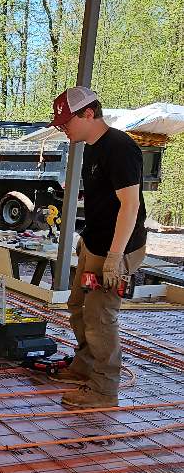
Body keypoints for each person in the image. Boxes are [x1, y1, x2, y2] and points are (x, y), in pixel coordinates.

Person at [50, 86, 147, 409]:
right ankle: (85, 365)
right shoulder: (92, 147)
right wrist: (87, 239)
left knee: (100, 316)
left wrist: (115, 257)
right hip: (96, 242)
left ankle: (104, 389)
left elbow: (130, 206)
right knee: (78, 305)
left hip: (117, 248)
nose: (63, 129)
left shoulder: (119, 148)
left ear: (88, 114)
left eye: (67, 122)